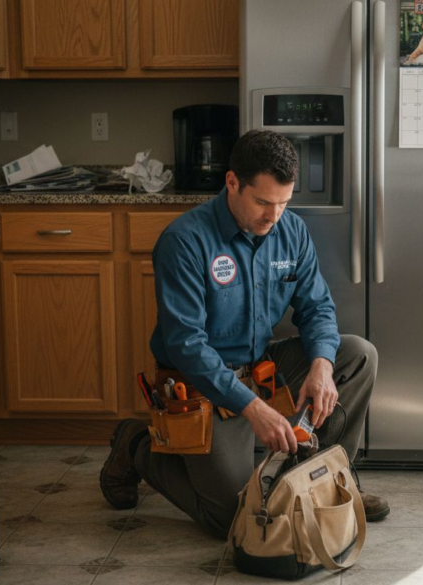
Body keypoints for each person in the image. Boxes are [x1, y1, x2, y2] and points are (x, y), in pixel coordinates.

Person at [99, 129, 389, 539]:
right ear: (232, 183)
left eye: (284, 203)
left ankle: (324, 481)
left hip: (261, 367)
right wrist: (253, 408)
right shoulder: (184, 241)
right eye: (263, 202)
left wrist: (322, 367)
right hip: (202, 383)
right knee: (234, 521)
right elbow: (187, 345)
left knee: (358, 354)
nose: (274, 217)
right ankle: (135, 446)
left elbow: (317, 307)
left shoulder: (291, 231)